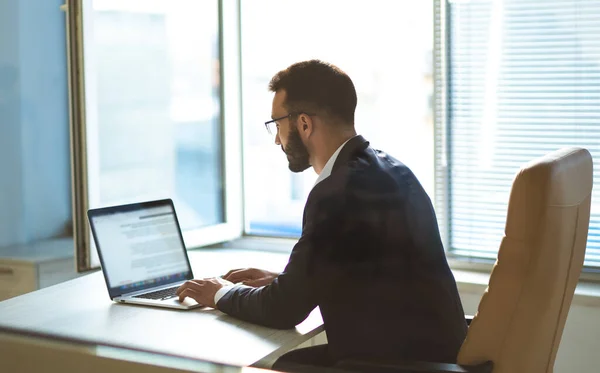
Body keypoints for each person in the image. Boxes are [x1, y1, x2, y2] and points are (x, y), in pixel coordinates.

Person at [176, 60, 467, 369]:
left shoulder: (337, 192)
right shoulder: (393, 170)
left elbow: (283, 310)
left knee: (273, 366)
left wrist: (220, 292)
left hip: (396, 364)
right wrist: (285, 281)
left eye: (277, 124)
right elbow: (373, 274)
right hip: (438, 357)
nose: (276, 138)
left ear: (303, 124)